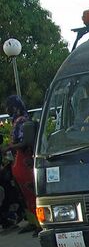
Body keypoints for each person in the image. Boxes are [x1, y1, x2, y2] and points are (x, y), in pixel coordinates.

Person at [2, 96, 39, 235]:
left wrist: (9, 147)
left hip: (25, 161)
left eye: (8, 106)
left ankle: (39, 224)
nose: (7, 109)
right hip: (18, 160)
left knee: (30, 191)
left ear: (15, 107)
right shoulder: (17, 121)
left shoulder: (23, 120)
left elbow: (26, 142)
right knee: (23, 193)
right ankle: (31, 221)